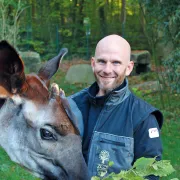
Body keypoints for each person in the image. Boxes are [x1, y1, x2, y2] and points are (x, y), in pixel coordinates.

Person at [68, 34, 163, 179]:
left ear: (129, 68)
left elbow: (149, 175)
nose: (107, 69)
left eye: (116, 62)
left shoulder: (142, 118)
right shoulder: (70, 106)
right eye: (102, 61)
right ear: (93, 63)